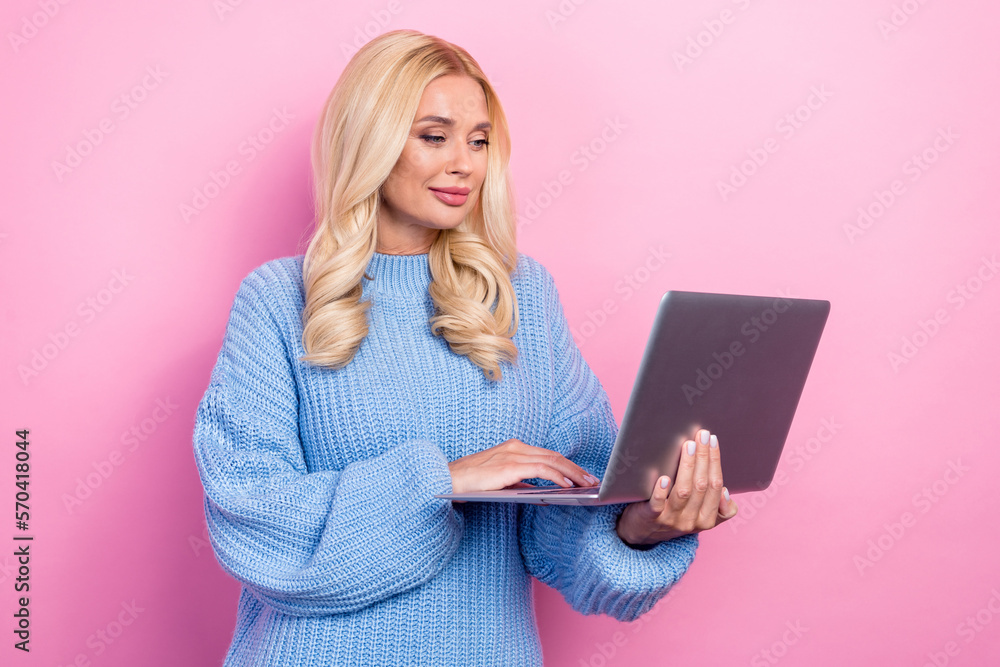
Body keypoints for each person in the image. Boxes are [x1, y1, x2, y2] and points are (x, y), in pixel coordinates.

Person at [191, 28, 738, 667]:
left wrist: (642, 528)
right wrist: (441, 481)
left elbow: (571, 508)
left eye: (480, 140)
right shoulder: (278, 299)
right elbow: (251, 520)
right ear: (370, 140)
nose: (466, 163)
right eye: (434, 136)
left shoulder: (522, 297)